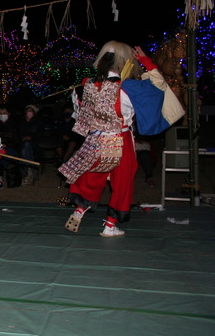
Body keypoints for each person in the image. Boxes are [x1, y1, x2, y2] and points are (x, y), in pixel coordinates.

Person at [58, 42, 180, 237]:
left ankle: (79, 210)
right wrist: (145, 61)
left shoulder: (88, 84)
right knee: (122, 182)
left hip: (96, 140)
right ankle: (110, 225)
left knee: (93, 177)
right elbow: (160, 85)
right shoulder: (128, 87)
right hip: (120, 139)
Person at [18, 104, 44, 185]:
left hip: (34, 144)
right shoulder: (21, 121)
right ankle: (29, 170)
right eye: (28, 111)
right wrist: (22, 137)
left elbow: (40, 134)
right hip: (21, 143)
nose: (29, 112)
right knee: (24, 147)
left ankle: (28, 171)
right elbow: (17, 133)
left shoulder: (38, 122)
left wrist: (30, 138)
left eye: (31, 111)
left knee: (26, 147)